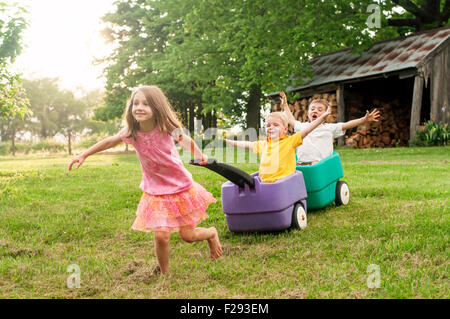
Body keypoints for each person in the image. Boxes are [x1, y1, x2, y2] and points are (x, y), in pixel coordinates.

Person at [68, 85, 222, 275]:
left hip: (179, 186)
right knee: (161, 235)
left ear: (156, 107)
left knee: (188, 236)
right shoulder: (131, 132)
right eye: (136, 103)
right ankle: (165, 273)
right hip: (154, 190)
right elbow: (109, 141)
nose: (139, 107)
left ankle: (211, 233)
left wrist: (200, 156)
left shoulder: (165, 127)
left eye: (146, 104)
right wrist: (84, 154)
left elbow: (186, 140)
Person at [225, 108, 331, 183]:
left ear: (285, 129)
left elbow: (307, 130)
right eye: (268, 125)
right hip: (264, 182)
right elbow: (248, 145)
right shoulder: (264, 144)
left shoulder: (290, 141)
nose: (271, 127)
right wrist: (233, 143)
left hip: (283, 182)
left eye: (275, 125)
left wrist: (322, 118)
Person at [280, 92, 380, 165]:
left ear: (327, 115)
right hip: (301, 163)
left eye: (320, 110)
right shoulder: (302, 126)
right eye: (312, 109)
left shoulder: (329, 128)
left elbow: (347, 124)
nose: (315, 111)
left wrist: (363, 120)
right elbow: (291, 119)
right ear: (308, 113)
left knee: (314, 166)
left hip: (321, 164)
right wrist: (285, 104)